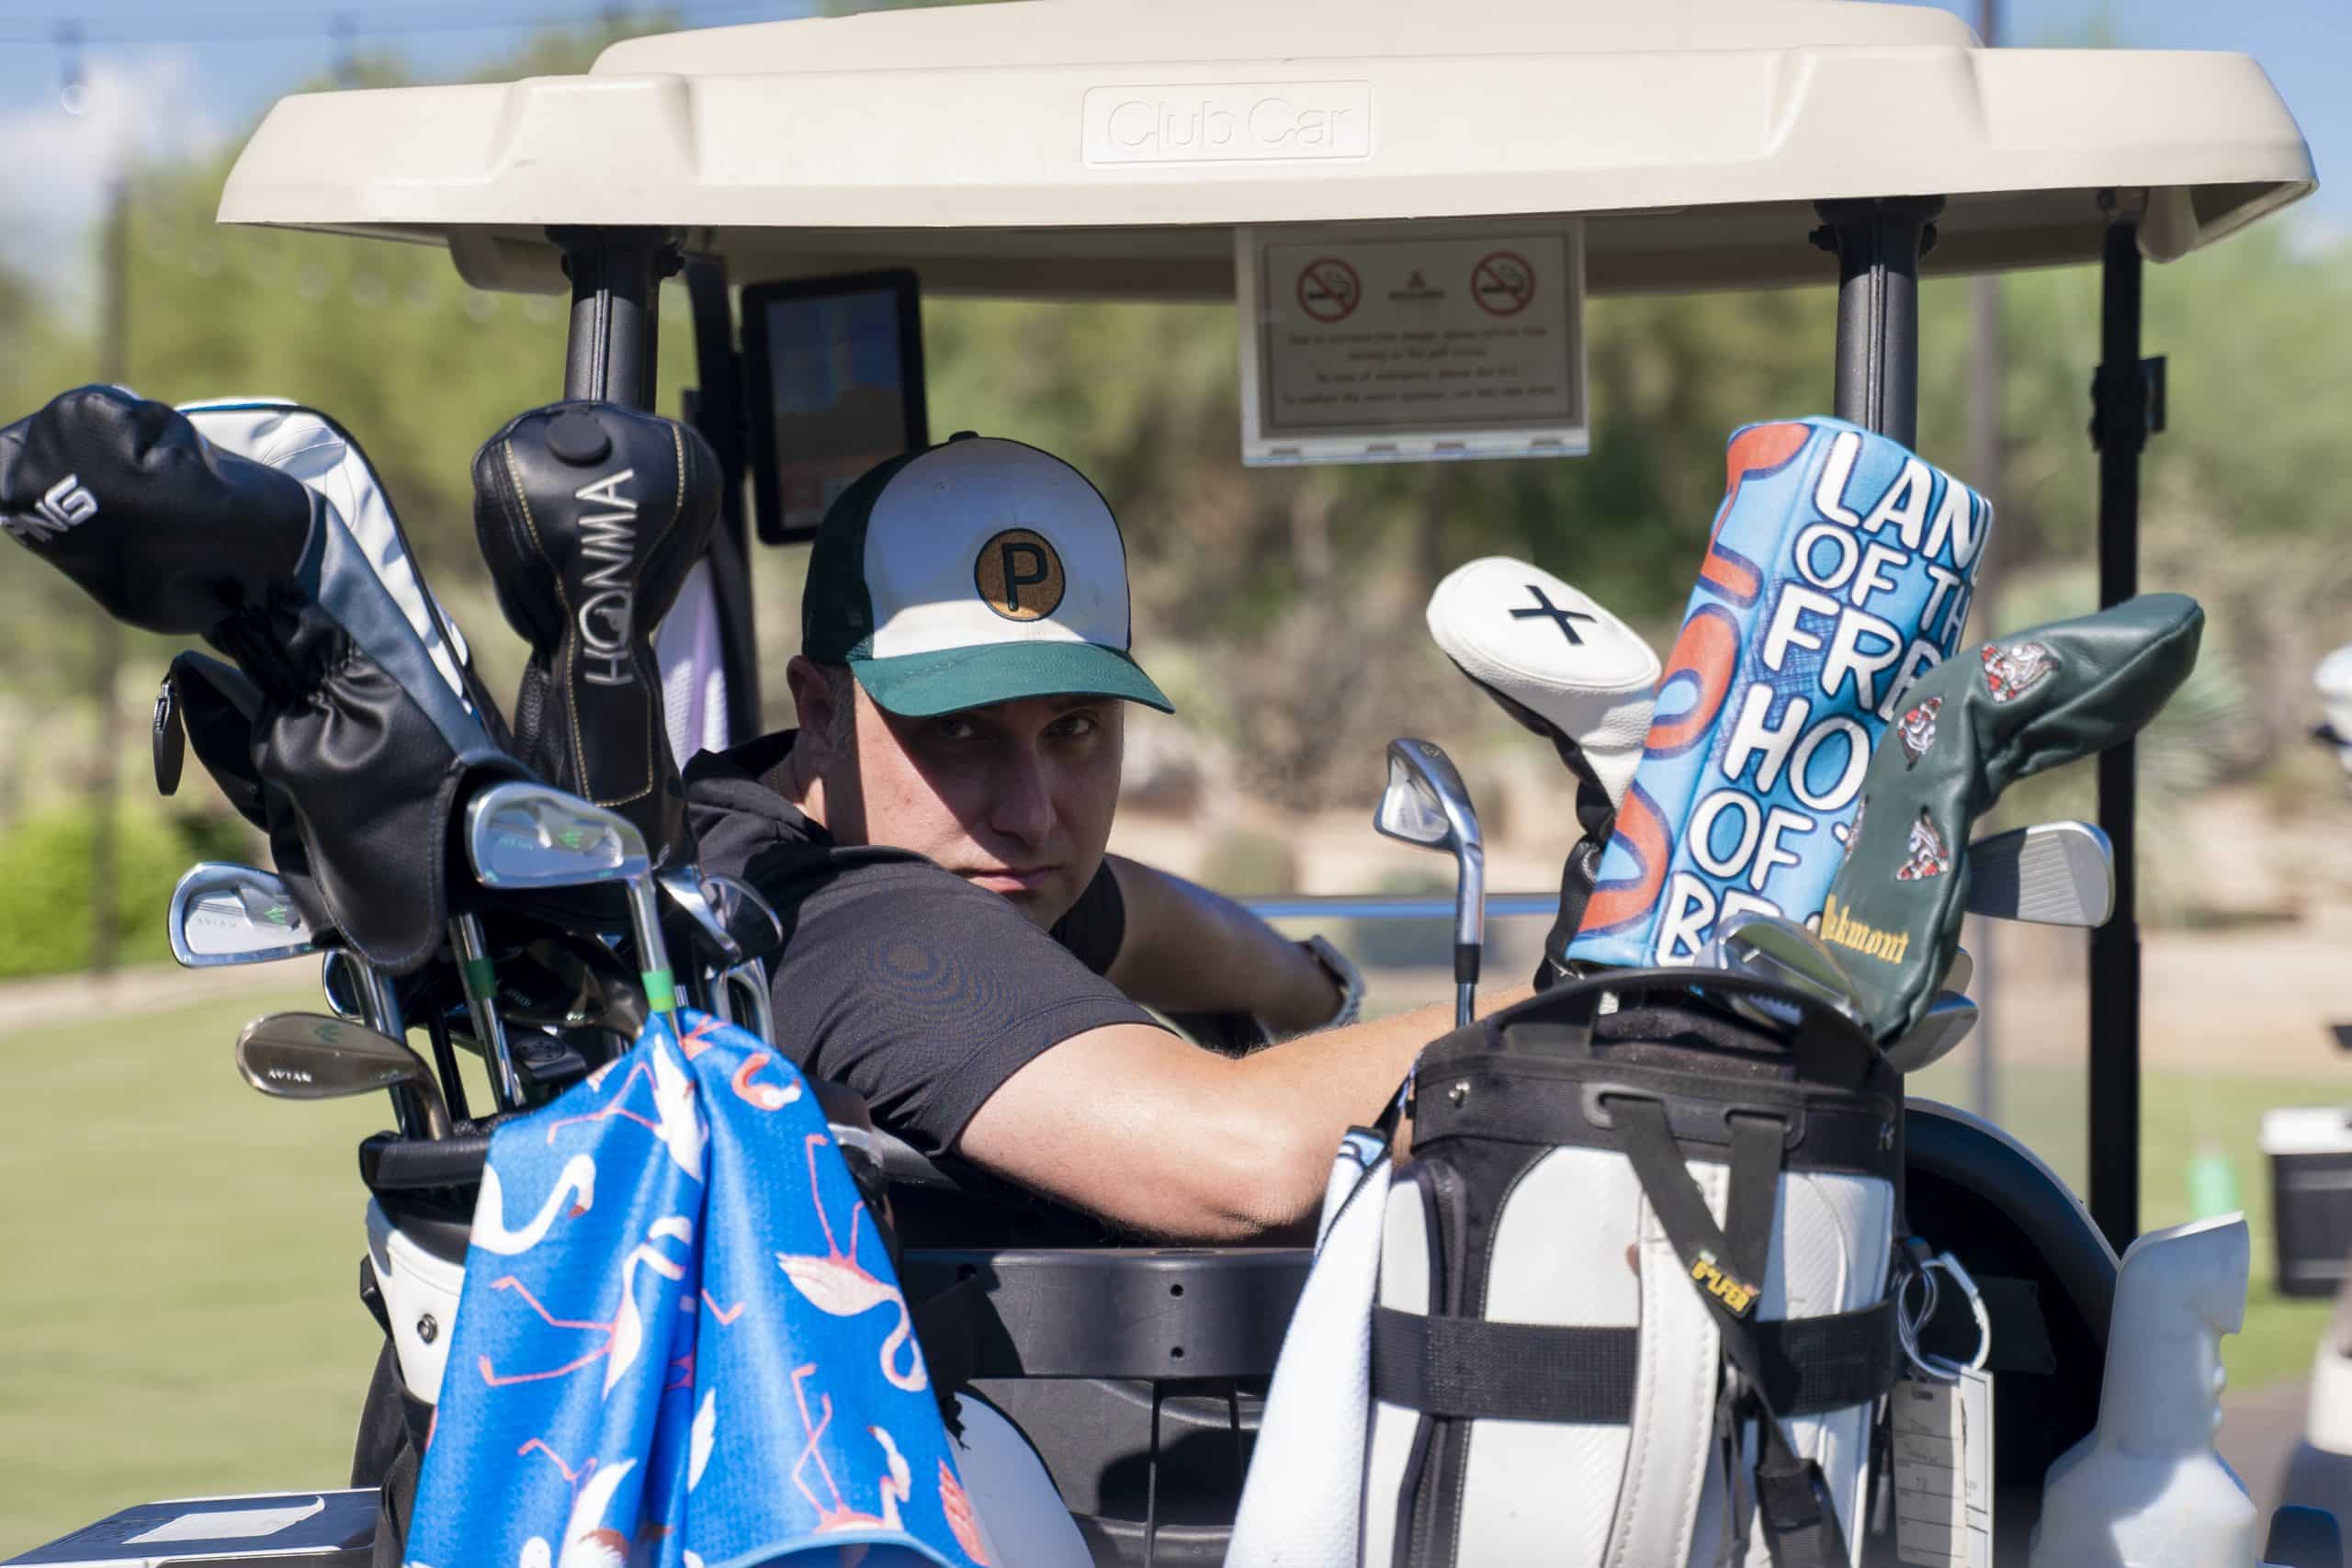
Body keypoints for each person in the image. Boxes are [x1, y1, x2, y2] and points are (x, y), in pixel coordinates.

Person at [687, 434, 1530, 1244]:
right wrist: (1596, 1010)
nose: (1034, 815)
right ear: (822, 708)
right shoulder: (843, 925)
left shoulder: (778, 824)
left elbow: (1143, 914)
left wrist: (1310, 991)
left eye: (1075, 726)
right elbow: (1246, 1164)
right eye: (958, 730)